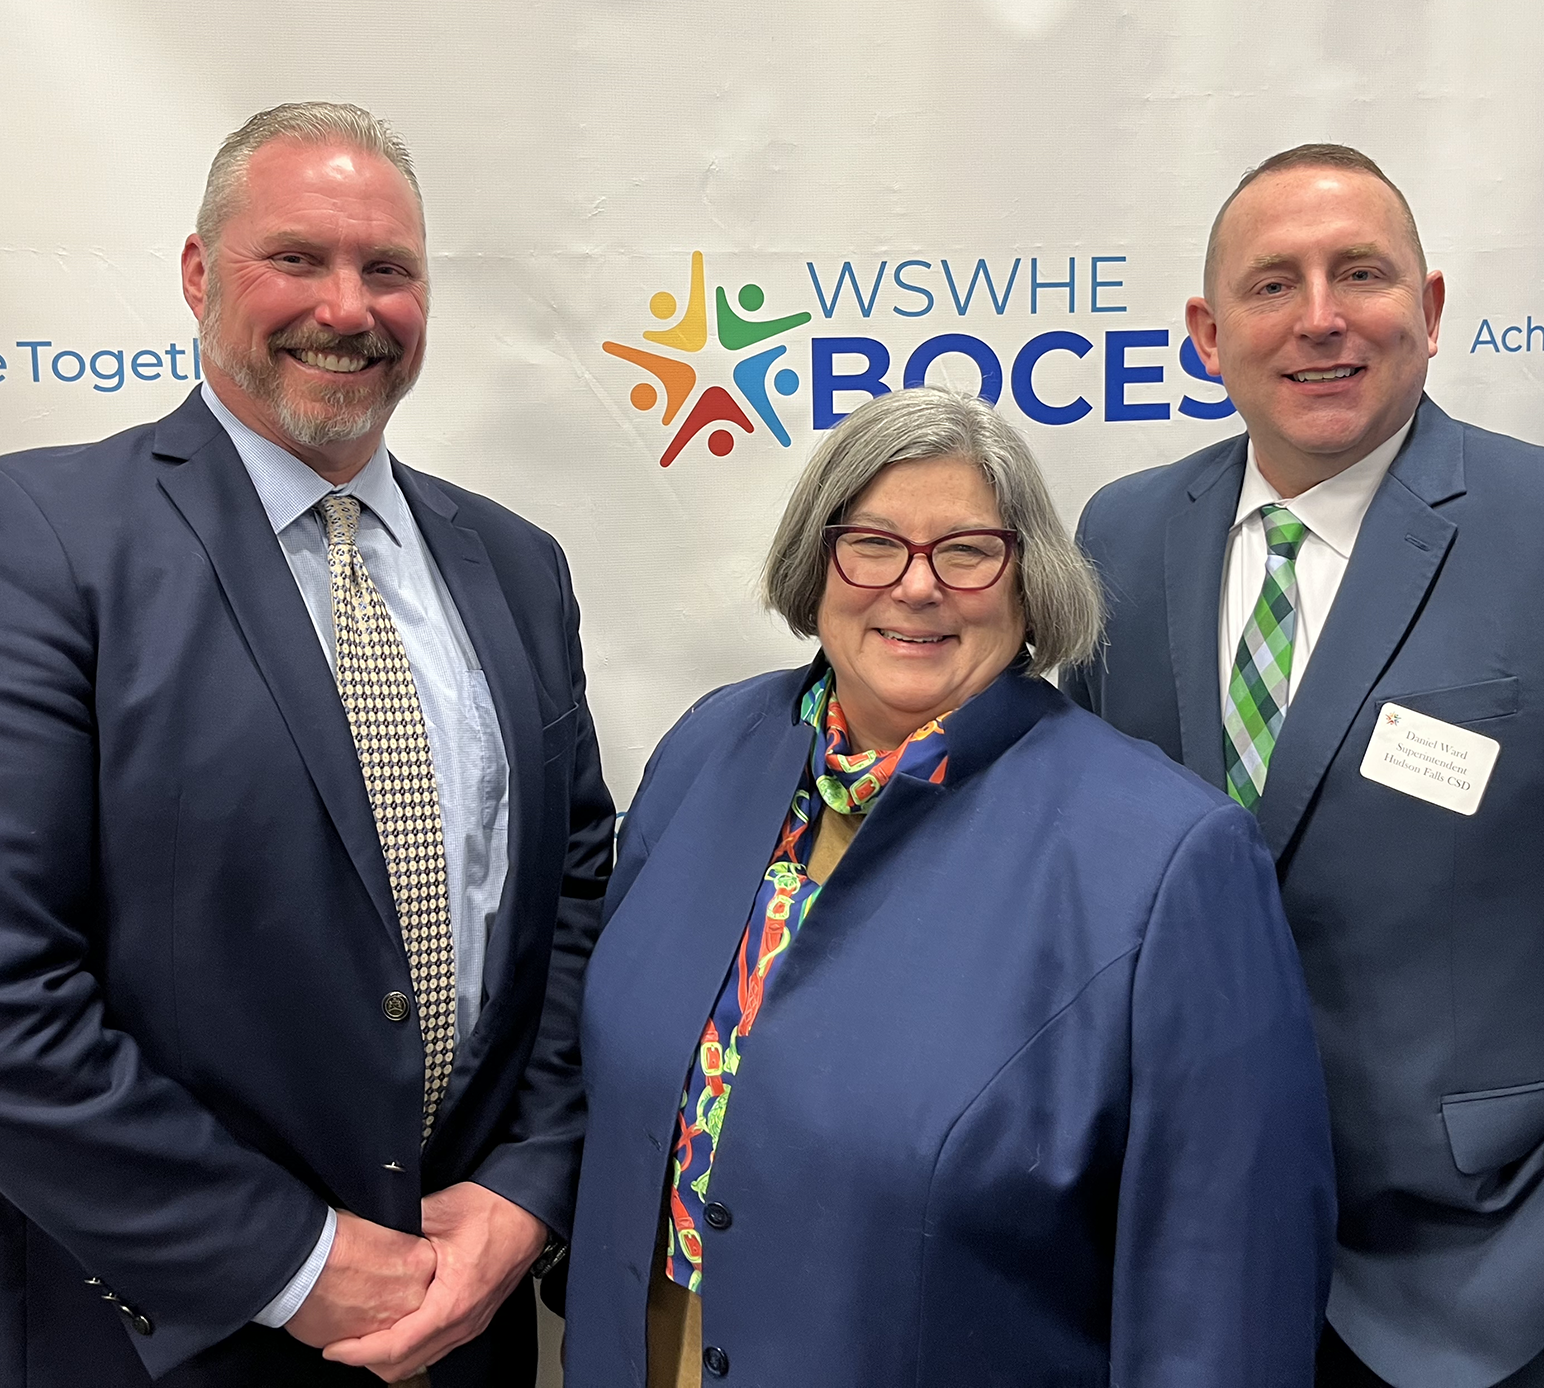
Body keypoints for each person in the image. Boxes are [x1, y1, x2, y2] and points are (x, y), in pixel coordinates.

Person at [0, 102, 613, 1387]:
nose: (349, 307)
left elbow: (579, 890)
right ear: (200, 273)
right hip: (151, 1342)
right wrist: (296, 1261)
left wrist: (531, 1184)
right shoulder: (39, 538)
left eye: (389, 269)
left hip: (461, 1330)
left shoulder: (516, 565)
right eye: (297, 258)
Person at [1065, 143, 1544, 1388]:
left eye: (1360, 272)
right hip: (1180, 1274)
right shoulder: (1124, 535)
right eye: (1274, 285)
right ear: (1208, 334)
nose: (1320, 316)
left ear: (1427, 312)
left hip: (1475, 1307)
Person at [563, 386, 1336, 1387]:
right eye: (873, 542)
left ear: (1031, 585)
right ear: (816, 560)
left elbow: (1223, 1308)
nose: (916, 587)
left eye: (968, 550)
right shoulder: (710, 748)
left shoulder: (1171, 860)